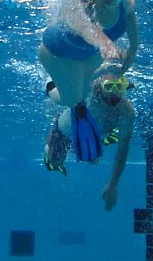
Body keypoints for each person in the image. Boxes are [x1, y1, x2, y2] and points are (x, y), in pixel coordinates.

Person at [39, 0, 138, 160]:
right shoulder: (74, 4)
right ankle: (49, 85)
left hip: (91, 53)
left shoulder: (125, 3)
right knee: (71, 100)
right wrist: (108, 46)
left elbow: (134, 45)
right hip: (58, 55)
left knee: (85, 94)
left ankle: (69, 85)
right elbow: (87, 29)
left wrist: (123, 68)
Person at [44, 61, 135, 211]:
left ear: (126, 85)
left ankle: (102, 142)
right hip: (63, 131)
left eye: (119, 86)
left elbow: (123, 149)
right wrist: (102, 70)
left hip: (91, 138)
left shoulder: (126, 112)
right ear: (100, 83)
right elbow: (80, 76)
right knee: (54, 162)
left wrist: (113, 185)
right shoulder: (91, 88)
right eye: (108, 86)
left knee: (94, 161)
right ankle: (49, 84)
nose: (113, 92)